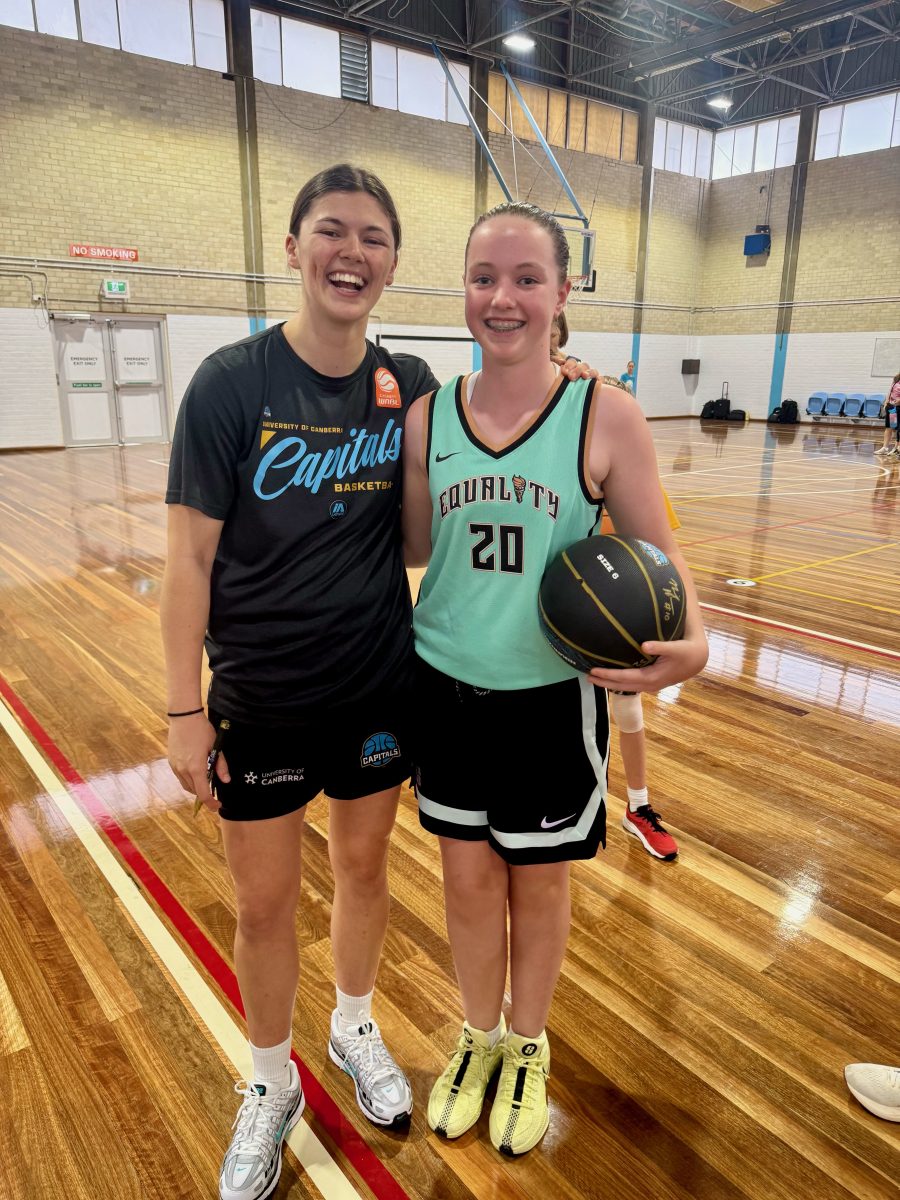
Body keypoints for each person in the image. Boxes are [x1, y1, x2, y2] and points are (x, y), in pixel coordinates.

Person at [161, 165, 593, 1200]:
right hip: (261, 694)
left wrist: (578, 382)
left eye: (372, 237)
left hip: (375, 688)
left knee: (365, 874)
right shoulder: (231, 382)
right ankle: (270, 1083)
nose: (350, 252)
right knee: (264, 908)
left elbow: (494, 438)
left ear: (395, 263)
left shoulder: (408, 387)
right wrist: (183, 707)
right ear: (295, 248)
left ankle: (356, 1026)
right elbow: (185, 562)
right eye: (330, 232)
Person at [402, 202, 708, 1157]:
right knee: (462, 883)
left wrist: (693, 643)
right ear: (462, 288)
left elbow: (658, 553)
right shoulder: (426, 418)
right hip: (445, 685)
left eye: (527, 278)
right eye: (484, 277)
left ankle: (528, 1044)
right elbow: (415, 547)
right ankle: (478, 1035)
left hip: (550, 701)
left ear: (561, 292)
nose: (503, 298)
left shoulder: (603, 411)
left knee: (537, 886)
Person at [552, 319, 679, 861]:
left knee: (625, 709)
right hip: (547, 603)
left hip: (606, 590)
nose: (554, 357)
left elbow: (657, 537)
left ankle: (637, 804)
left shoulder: (595, 405)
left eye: (558, 347)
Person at [875, 371, 900, 456]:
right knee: (889, 426)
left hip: (898, 407)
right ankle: (885, 448)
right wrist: (886, 401)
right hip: (892, 406)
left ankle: (896, 448)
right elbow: (890, 390)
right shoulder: (896, 378)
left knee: (897, 429)